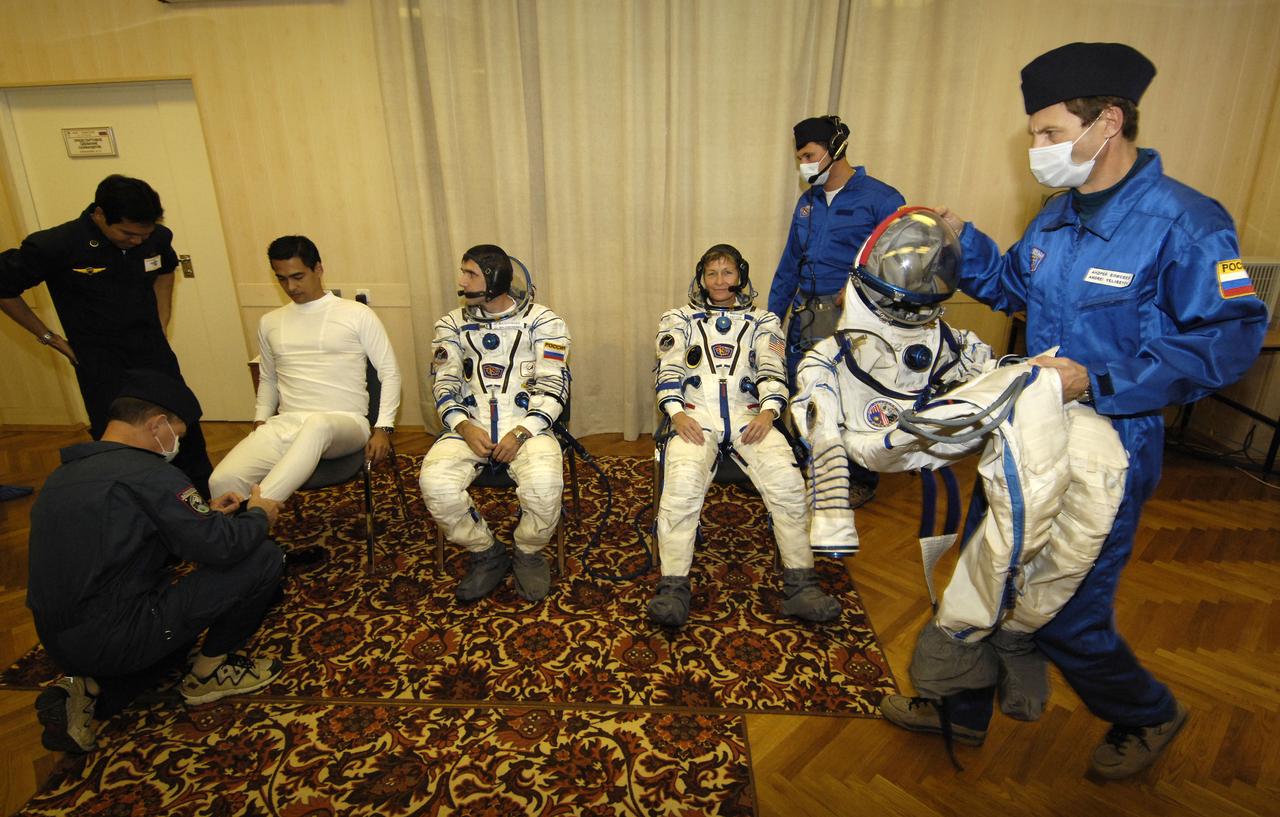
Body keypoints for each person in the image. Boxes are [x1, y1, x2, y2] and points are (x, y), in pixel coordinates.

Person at [879, 42, 1268, 780]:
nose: (1038, 149)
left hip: (1114, 448)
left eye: (1050, 133)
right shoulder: (1059, 217)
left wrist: (1102, 381)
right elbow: (1018, 287)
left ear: (1108, 121)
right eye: (1033, 135)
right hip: (1028, 431)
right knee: (980, 571)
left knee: (1065, 611)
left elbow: (1227, 338)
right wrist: (966, 247)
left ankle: (1147, 711)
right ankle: (956, 705)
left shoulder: (1189, 223)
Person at [27, 371, 285, 754]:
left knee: (165, 652)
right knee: (262, 556)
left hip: (60, 641)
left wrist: (202, 514)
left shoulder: (62, 476)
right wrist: (259, 515)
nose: (176, 443)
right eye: (177, 434)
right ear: (157, 424)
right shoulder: (149, 475)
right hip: (119, 633)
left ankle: (89, 688)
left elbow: (127, 540)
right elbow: (222, 549)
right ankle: (210, 672)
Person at [649, 243, 840, 628]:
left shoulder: (764, 321)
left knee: (789, 485)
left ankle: (801, 585)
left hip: (749, 416)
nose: (720, 280)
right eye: (712, 273)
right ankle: (673, 588)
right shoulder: (678, 319)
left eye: (728, 272)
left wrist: (770, 411)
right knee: (681, 490)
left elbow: (772, 368)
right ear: (701, 278)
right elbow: (668, 370)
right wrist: (675, 413)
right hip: (694, 416)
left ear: (741, 276)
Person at [791, 208, 992, 559]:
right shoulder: (832, 356)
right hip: (868, 437)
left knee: (1007, 381)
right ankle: (832, 510)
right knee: (817, 394)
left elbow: (980, 371)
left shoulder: (948, 340)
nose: (914, 280)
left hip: (936, 433)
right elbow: (817, 405)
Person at [0, 174, 213, 495]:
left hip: (153, 356)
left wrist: (161, 320)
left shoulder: (156, 238)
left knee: (186, 436)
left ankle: (205, 506)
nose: (137, 241)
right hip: (102, 363)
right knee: (121, 448)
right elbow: (4, 287)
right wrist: (49, 338)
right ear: (99, 215)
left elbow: (166, 270)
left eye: (145, 233)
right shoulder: (56, 245)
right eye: (127, 233)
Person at [421, 245, 570, 603]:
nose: (460, 281)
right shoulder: (450, 325)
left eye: (470, 274)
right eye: (462, 272)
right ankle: (487, 551)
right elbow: (444, 384)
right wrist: (464, 426)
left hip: (528, 427)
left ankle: (528, 550)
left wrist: (522, 431)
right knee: (434, 483)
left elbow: (554, 385)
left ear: (495, 278)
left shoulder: (544, 322)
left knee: (545, 487)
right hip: (468, 427)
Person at [770, 115, 905, 507]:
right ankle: (811, 462)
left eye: (810, 155)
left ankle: (859, 477)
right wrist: (772, 319)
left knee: (851, 398)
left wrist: (860, 292)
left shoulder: (882, 199)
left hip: (853, 320)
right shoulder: (808, 202)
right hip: (806, 315)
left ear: (837, 149)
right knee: (806, 391)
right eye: (799, 158)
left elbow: (895, 264)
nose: (804, 165)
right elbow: (789, 264)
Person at [208, 236, 401, 502]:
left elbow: (389, 372)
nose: (291, 286)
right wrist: (261, 420)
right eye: (282, 279)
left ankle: (259, 511)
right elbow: (268, 378)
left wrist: (383, 428)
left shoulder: (356, 314)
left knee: (317, 424)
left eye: (298, 276)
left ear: (318, 269)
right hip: (287, 423)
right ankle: (245, 540)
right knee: (221, 480)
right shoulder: (270, 322)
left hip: (345, 424)